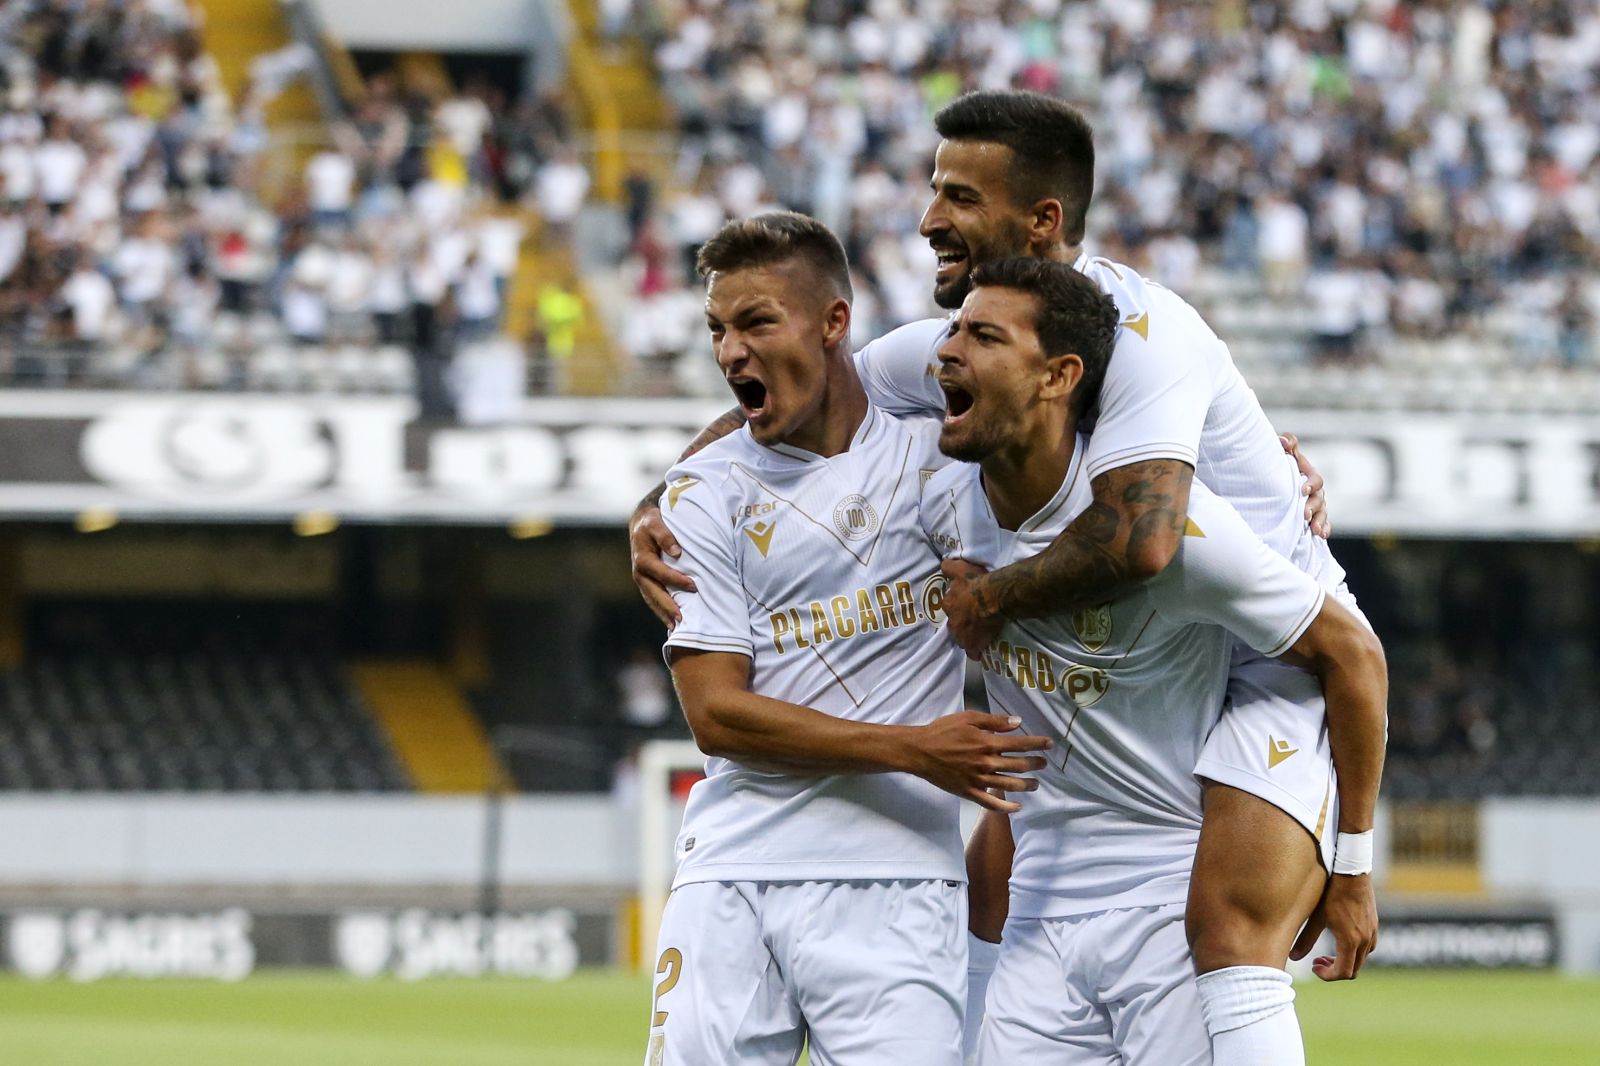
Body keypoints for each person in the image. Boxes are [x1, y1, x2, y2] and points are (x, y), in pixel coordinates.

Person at [631, 90, 1375, 1065]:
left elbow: (1142, 538)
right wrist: (661, 499)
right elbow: (813, 391)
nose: (929, 217)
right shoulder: (949, 352)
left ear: (1042, 221)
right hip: (1135, 662)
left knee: (1224, 924)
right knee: (999, 871)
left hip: (1269, 653)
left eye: (958, 195)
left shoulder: (1146, 336)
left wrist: (991, 598)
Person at [924, 256, 1386, 1064]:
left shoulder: (1174, 538)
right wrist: (670, 500)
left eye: (983, 336)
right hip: (1041, 915)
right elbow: (806, 426)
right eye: (953, 330)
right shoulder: (934, 494)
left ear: (1058, 377)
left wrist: (1352, 870)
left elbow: (1353, 653)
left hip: (1170, 899)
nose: (944, 352)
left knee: (1235, 959)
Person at [644, 211, 1050, 1065]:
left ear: (834, 322)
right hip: (733, 877)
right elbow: (718, 717)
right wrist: (914, 749)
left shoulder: (941, 461)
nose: (729, 353)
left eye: (757, 322)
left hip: (898, 885)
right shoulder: (699, 495)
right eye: (717, 329)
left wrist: (1258, 463)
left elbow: (1090, 451)